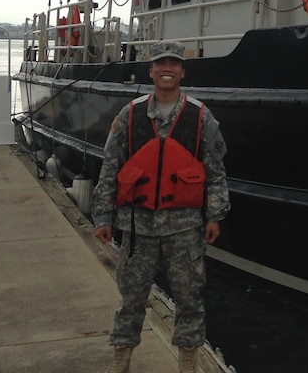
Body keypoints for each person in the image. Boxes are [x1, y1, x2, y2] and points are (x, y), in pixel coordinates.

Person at [92, 40, 230, 373]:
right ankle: (121, 362)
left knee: (189, 299)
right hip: (139, 226)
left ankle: (187, 364)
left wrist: (214, 215)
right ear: (151, 71)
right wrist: (103, 216)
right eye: (160, 64)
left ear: (182, 71)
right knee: (131, 298)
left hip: (185, 227)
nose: (166, 69)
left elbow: (214, 171)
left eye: (173, 64)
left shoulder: (200, 116)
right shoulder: (131, 115)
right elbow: (111, 167)